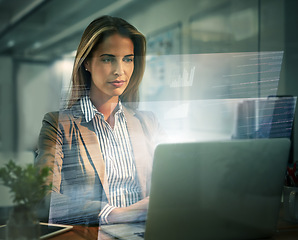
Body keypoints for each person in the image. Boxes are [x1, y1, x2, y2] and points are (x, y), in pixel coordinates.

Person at [36, 15, 162, 225]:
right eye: (107, 59)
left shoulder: (148, 123)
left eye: (127, 59)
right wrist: (112, 214)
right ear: (87, 62)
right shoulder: (58, 125)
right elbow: (43, 200)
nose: (119, 71)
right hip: (93, 234)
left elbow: (173, 183)